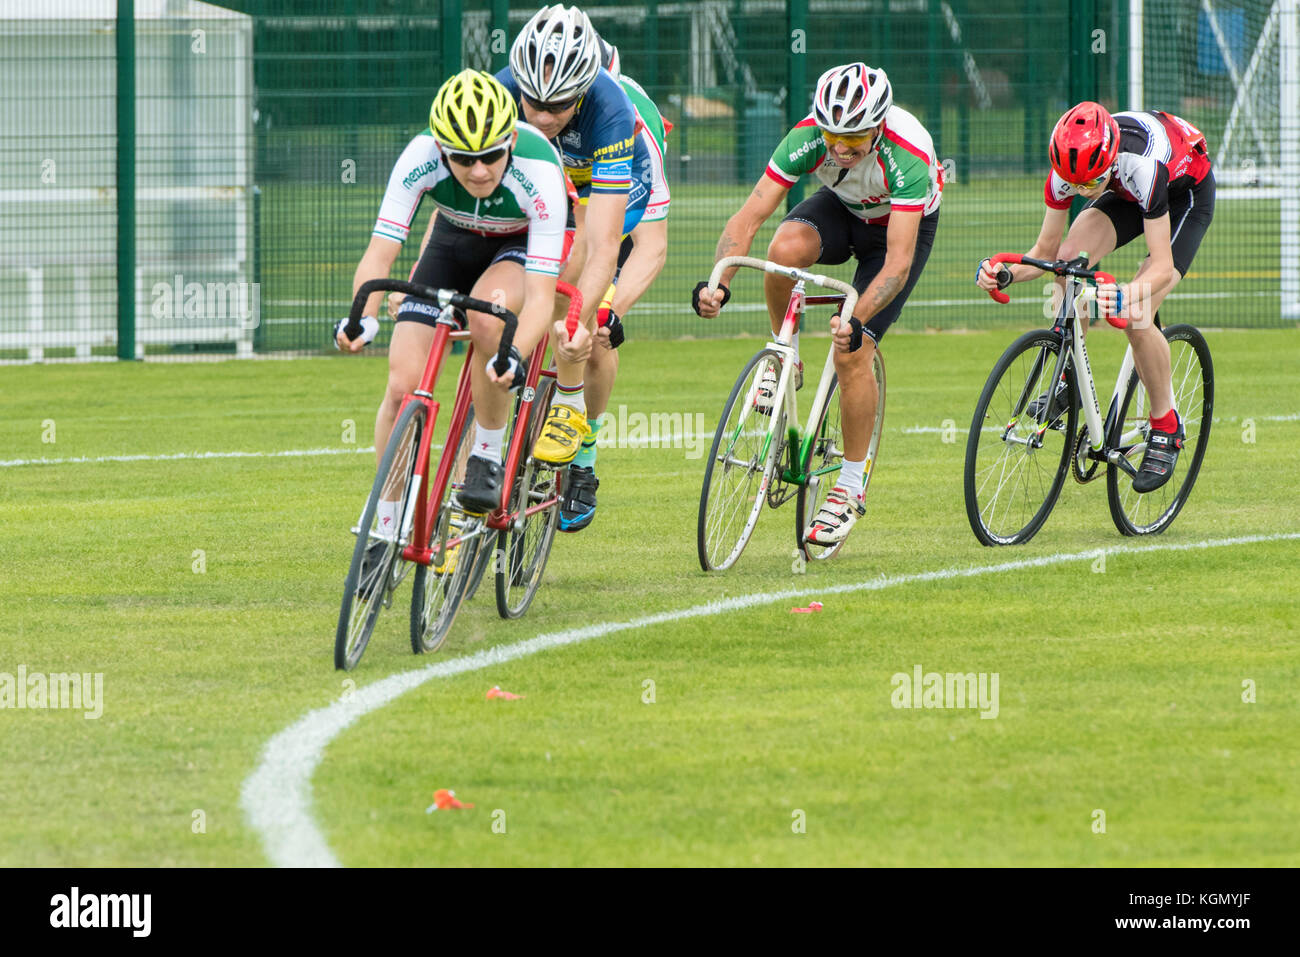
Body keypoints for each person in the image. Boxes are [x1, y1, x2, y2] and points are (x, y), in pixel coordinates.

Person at [336, 69, 581, 581]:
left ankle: (487, 455)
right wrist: (362, 318)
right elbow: (381, 253)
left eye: (491, 155)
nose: (477, 170)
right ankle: (387, 523)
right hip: (455, 237)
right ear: (441, 150)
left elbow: (537, 299)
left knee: (490, 315)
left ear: (510, 140)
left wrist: (515, 351)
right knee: (403, 387)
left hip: (521, 245)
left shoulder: (537, 168)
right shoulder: (419, 155)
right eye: (462, 158)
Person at [694, 62, 942, 546]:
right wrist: (718, 281)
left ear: (880, 126)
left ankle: (848, 488)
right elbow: (749, 216)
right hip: (843, 209)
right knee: (782, 251)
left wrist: (857, 320)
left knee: (851, 352)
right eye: (832, 139)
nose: (840, 150)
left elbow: (896, 265)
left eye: (854, 142)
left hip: (893, 234)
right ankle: (782, 355)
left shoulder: (908, 153)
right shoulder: (807, 137)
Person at [975, 101, 1215, 492]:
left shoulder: (1142, 165)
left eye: (1088, 185)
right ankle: (1070, 378)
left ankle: (1166, 427)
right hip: (1122, 189)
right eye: (1075, 186)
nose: (1082, 192)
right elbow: (1046, 253)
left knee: (1138, 312)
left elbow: (1161, 265)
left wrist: (1125, 295)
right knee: (1069, 262)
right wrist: (1004, 274)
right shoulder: (1067, 173)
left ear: (1106, 160)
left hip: (1183, 192)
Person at [496, 4, 664, 532]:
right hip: (555, 181)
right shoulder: (505, 91)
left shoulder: (620, 115)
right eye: (534, 103)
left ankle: (584, 449)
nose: (542, 117)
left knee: (590, 325)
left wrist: (601, 312)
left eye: (560, 105)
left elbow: (643, 245)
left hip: (616, 191)